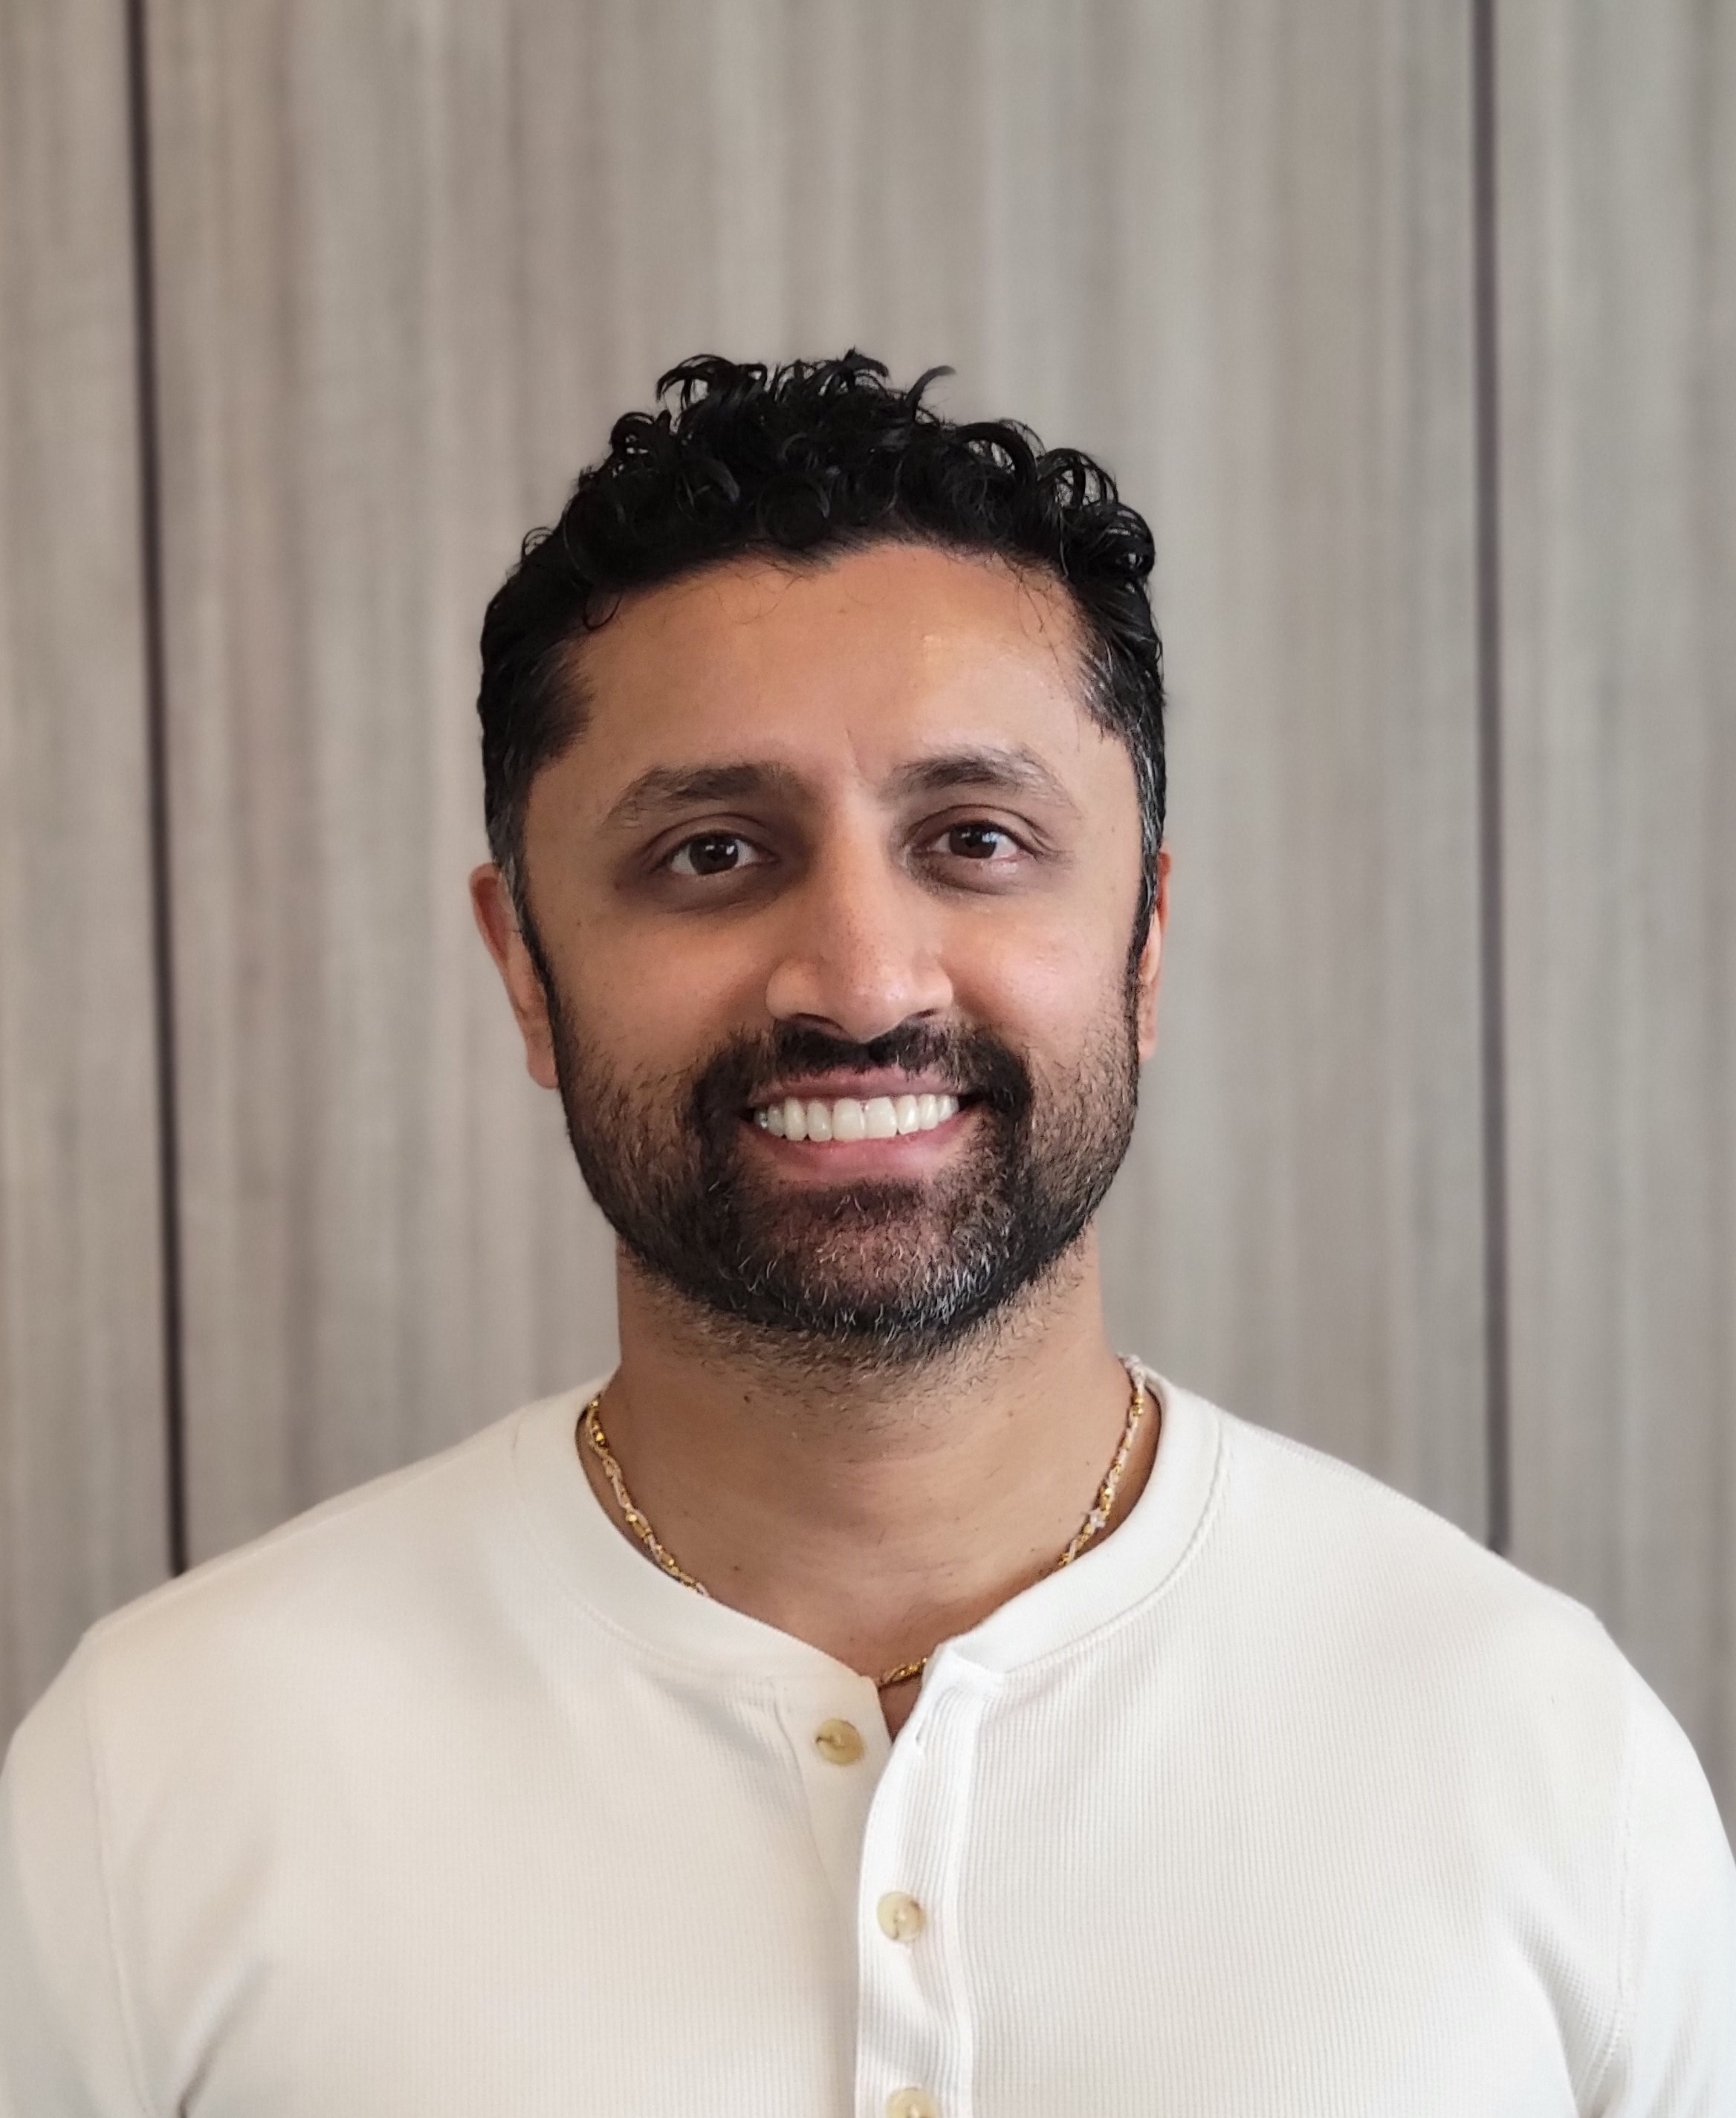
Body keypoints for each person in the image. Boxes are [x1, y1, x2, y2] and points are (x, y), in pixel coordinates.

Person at [1, 353, 1731, 2116]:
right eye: (711, 853)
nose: (859, 983)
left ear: (1143, 942)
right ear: (524, 967)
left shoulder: (1540, 1754)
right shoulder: (157, 1780)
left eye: (974, 838)